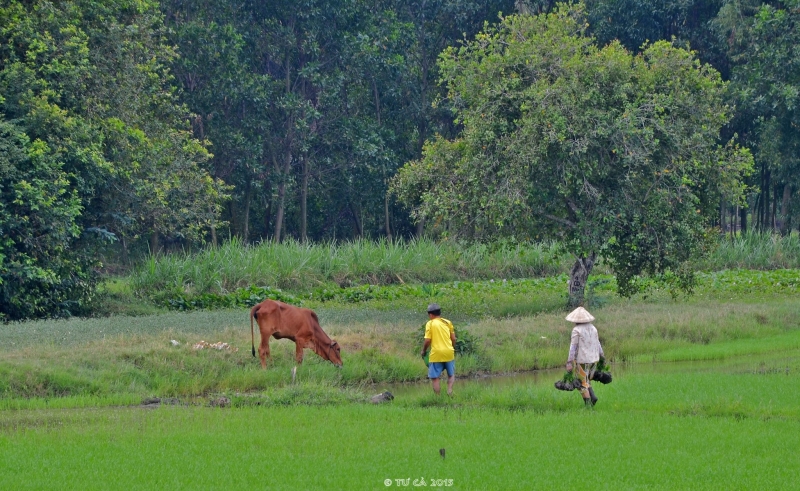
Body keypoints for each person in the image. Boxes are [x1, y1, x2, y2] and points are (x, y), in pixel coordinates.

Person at [564, 306, 605, 407]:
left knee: (581, 383)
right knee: (586, 380)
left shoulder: (576, 330)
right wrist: (602, 355)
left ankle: (589, 404)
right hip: (594, 359)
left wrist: (569, 361)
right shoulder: (593, 328)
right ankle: (593, 397)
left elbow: (573, 347)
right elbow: (598, 343)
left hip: (582, 360)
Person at [420, 303, 456, 396]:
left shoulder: (430, 323)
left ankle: (438, 397)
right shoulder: (447, 322)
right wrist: (452, 348)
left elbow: (428, 340)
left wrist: (423, 350)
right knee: (451, 375)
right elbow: (453, 339)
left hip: (436, 353)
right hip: (449, 352)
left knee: (435, 377)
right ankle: (449, 391)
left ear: (430, 314)